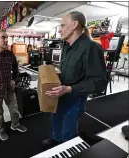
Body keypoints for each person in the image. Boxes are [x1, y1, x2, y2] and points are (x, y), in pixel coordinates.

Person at [42, 11, 107, 148]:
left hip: (75, 99)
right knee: (56, 120)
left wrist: (69, 89)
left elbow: (99, 83)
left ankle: (66, 146)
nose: (59, 29)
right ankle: (56, 139)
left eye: (62, 25)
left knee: (68, 133)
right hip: (61, 94)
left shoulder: (91, 48)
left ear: (74, 25)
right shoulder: (66, 46)